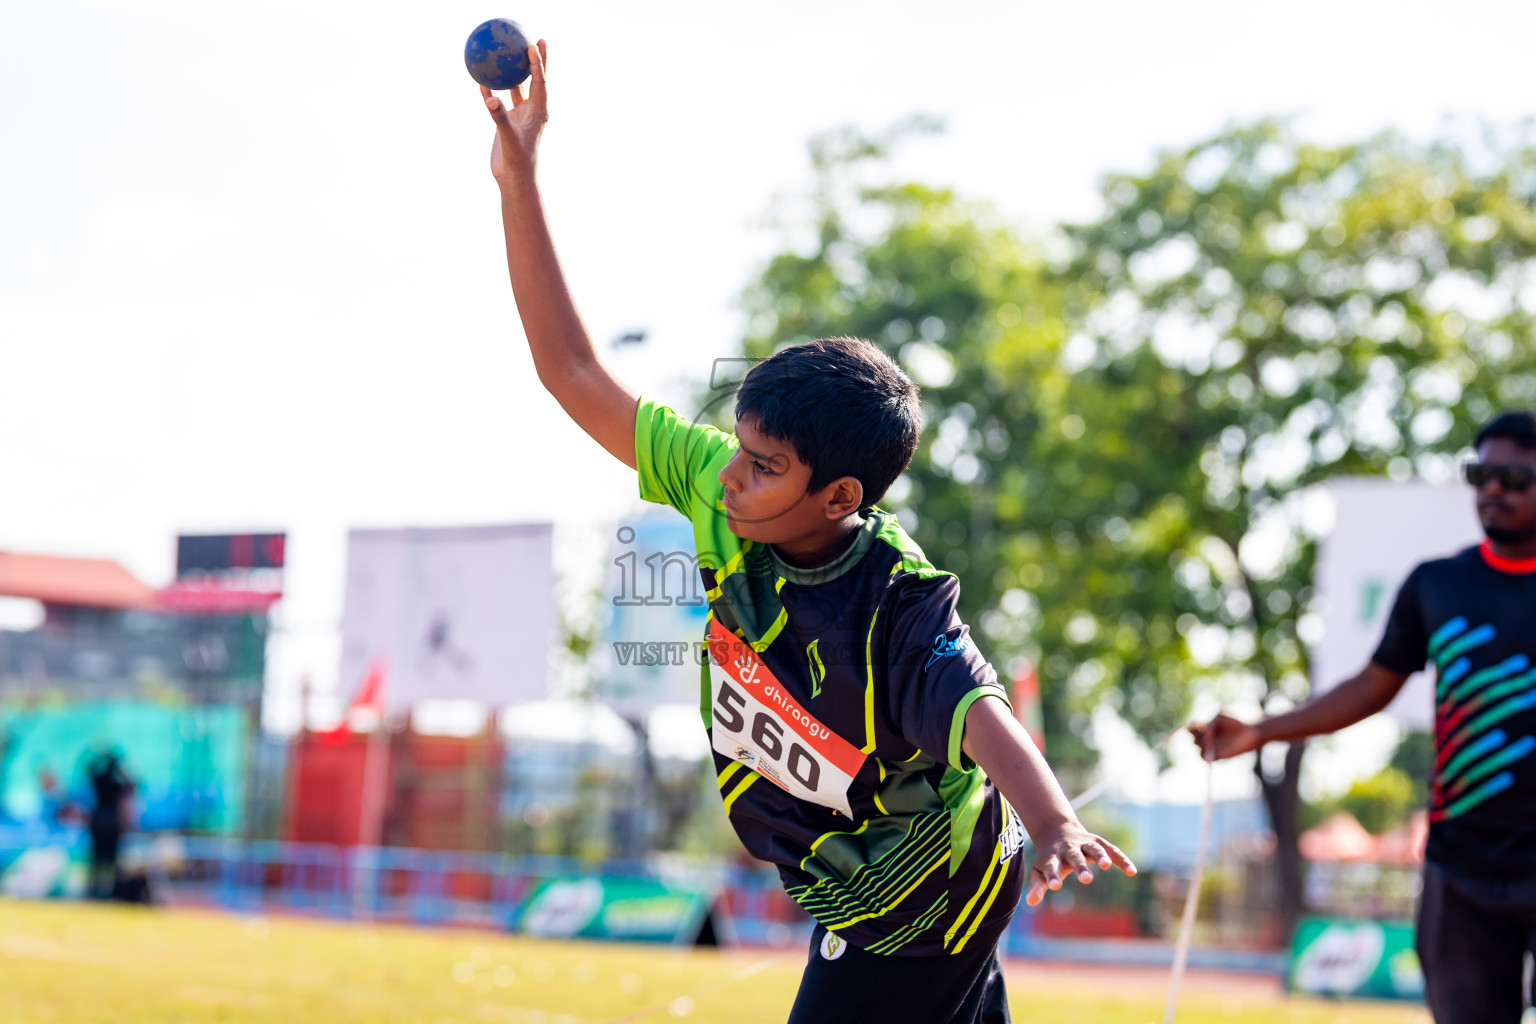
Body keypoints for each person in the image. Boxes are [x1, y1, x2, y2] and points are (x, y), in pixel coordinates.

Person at [478, 41, 1135, 1023]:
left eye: (764, 466)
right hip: (873, 879)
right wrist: (518, 180)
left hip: (922, 889)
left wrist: (1057, 822)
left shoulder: (895, 600)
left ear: (839, 496)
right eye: (739, 449)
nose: (730, 476)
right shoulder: (722, 485)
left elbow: (981, 709)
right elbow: (571, 373)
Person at [1191, 410, 1536, 1024]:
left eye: (1513, 477)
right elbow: (1372, 686)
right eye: (1479, 474)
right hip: (1460, 867)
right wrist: (1261, 730)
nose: (1492, 489)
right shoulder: (1438, 584)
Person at [85, 746, 135, 900]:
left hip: (99, 821)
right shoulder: (116, 783)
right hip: (112, 822)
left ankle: (94, 890)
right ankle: (108, 892)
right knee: (110, 859)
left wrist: (100, 755)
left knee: (98, 858)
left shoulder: (99, 780)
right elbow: (133, 784)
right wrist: (118, 762)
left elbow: (89, 768)